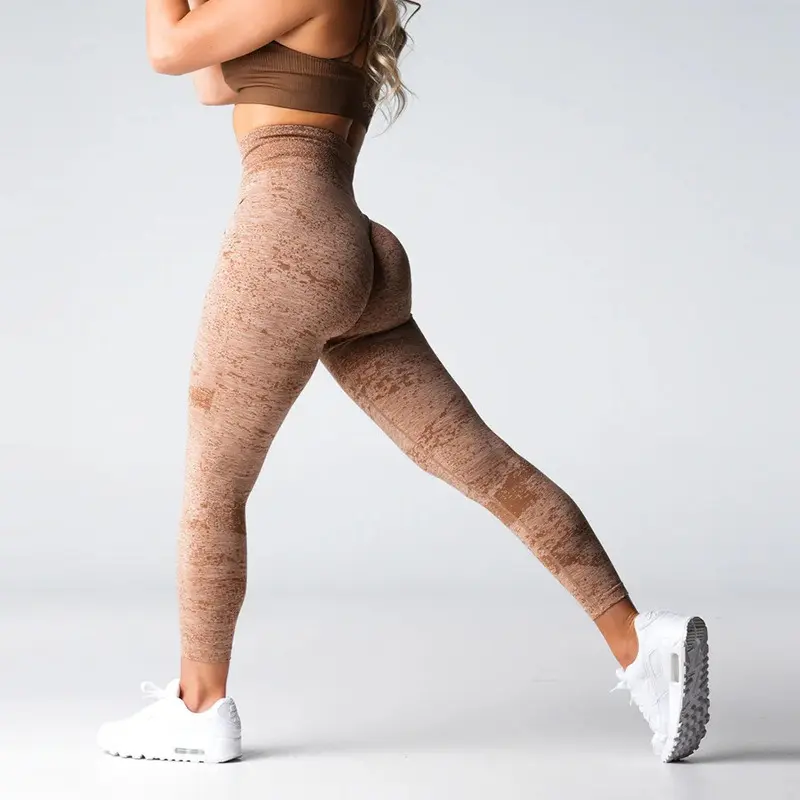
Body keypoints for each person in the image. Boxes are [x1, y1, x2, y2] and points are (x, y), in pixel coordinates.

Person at [97, 0, 710, 765]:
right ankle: (639, 642)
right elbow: (213, 81)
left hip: (284, 242)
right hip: (353, 249)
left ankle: (197, 708)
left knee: (212, 487)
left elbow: (168, 52)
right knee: (486, 467)